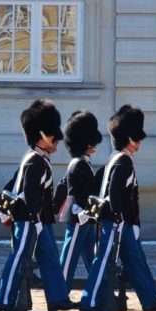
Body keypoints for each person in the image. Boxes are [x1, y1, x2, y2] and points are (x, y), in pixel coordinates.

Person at [79, 105, 156, 311]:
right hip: (117, 220)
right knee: (102, 260)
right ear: (129, 138)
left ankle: (150, 299)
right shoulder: (122, 161)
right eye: (137, 138)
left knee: (136, 259)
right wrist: (119, 216)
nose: (139, 142)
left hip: (124, 222)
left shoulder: (116, 158)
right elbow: (116, 193)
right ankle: (90, 300)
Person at [0, 99, 75, 311]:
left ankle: (57, 298)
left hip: (39, 221)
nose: (56, 142)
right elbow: (29, 192)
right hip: (30, 220)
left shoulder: (37, 158)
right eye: (53, 137)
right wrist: (33, 218)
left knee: (50, 258)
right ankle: (3, 299)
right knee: (18, 257)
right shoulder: (35, 160)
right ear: (43, 135)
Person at [57, 110, 102, 289]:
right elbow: (78, 191)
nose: (94, 146)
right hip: (78, 216)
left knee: (91, 257)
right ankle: (60, 290)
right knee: (69, 256)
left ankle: (98, 289)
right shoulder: (79, 164)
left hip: (86, 217)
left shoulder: (83, 162)